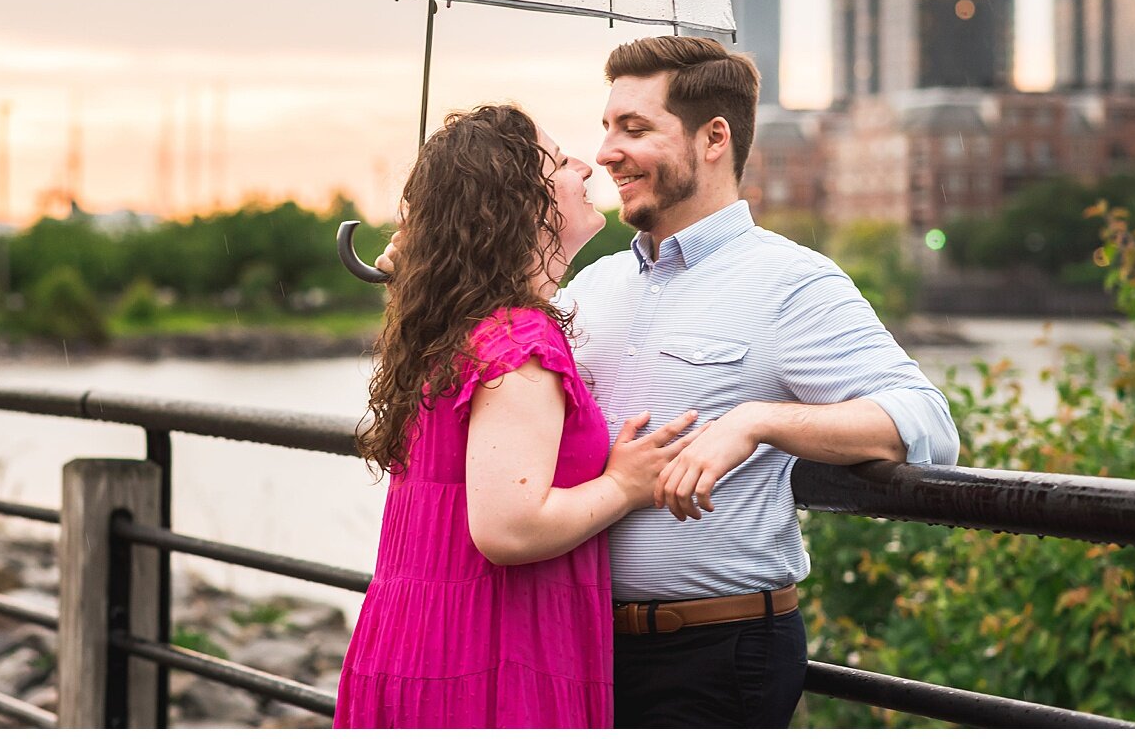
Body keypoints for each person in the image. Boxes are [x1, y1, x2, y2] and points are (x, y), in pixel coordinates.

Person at [375, 38, 960, 728]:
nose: (606, 153)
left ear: (714, 139)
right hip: (570, 641)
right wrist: (421, 256)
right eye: (606, 126)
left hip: (711, 653)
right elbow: (483, 372)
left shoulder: (792, 283)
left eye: (635, 128)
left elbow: (926, 425)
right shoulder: (588, 286)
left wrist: (757, 422)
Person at [334, 104, 700, 729]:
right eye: (560, 162)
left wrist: (421, 266)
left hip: (424, 642)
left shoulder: (451, 324)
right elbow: (508, 529)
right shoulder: (518, 339)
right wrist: (624, 484)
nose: (586, 166)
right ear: (517, 204)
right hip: (486, 665)